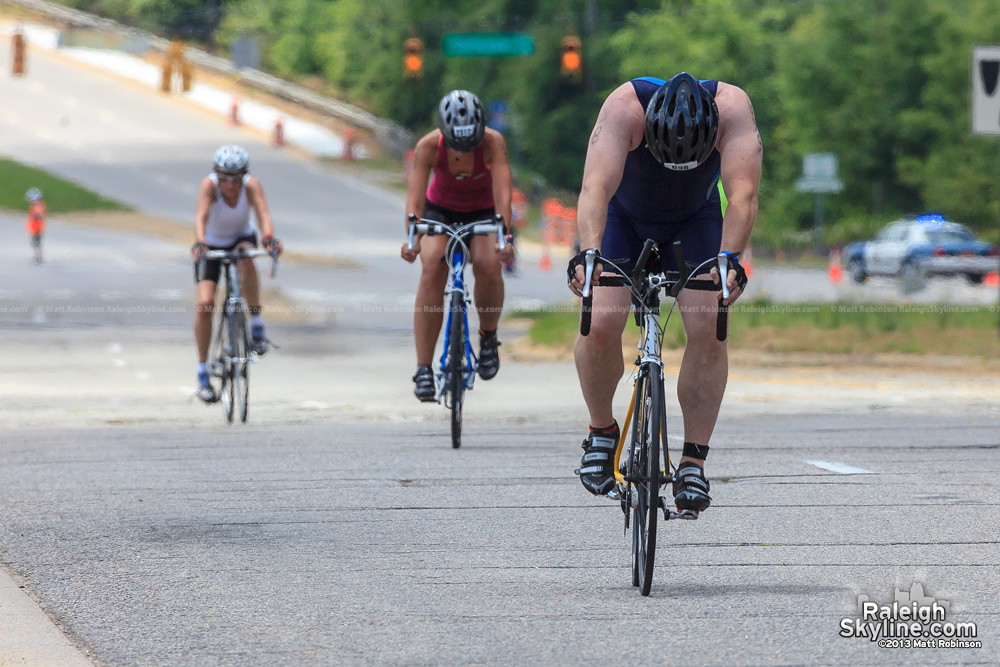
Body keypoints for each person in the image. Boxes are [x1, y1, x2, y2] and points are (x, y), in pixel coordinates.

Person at [567, 72, 762, 512]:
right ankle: (601, 433)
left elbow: (743, 194)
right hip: (625, 220)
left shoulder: (733, 111)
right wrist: (590, 253)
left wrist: (730, 259)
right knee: (600, 319)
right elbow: (594, 187)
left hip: (695, 219)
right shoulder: (624, 108)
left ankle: (693, 462)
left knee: (711, 321)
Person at [400, 90, 515, 402]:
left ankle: (488, 337)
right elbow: (415, 198)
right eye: (457, 145)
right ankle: (423, 368)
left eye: (470, 144)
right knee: (432, 262)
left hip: (483, 212)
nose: (464, 152)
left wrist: (505, 236)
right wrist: (412, 237)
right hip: (441, 211)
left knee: (488, 263)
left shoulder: (493, 143)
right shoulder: (427, 146)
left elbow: (504, 191)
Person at [191, 145, 283, 404]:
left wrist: (268, 239)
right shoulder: (209, 186)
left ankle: (256, 324)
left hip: (241, 237)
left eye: (235, 179)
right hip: (211, 243)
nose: (230, 186)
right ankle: (202, 372)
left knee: (246, 258)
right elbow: (201, 216)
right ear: (216, 175)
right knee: (205, 304)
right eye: (224, 179)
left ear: (244, 175)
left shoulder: (251, 186)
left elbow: (263, 214)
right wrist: (200, 243)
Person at [25, 187, 46, 264]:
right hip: (35, 227)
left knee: (36, 243)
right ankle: (38, 257)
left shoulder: (38, 206)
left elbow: (40, 215)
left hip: (37, 228)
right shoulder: (35, 205)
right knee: (35, 243)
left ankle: (38, 257)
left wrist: (36, 215)